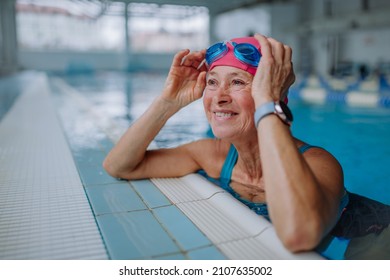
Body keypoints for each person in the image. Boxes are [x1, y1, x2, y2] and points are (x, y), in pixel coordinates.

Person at [103, 34, 349, 253]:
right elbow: (120, 166)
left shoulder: (318, 164)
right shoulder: (213, 155)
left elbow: (299, 235)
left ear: (273, 95)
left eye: (237, 82)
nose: (219, 98)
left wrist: (267, 102)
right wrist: (168, 102)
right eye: (212, 82)